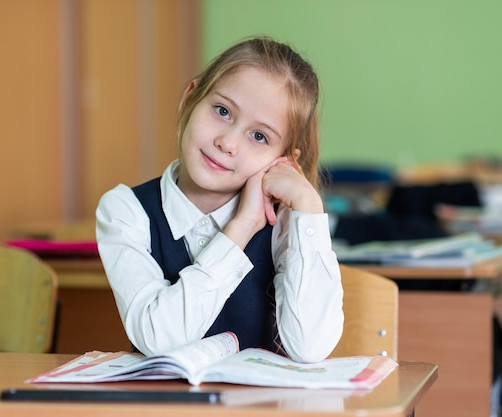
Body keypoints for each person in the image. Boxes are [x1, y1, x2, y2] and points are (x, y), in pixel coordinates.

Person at [96, 36, 343, 363]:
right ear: (190, 100)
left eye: (259, 136)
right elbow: (157, 337)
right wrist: (241, 228)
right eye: (223, 111)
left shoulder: (285, 222)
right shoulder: (125, 211)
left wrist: (309, 207)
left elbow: (309, 348)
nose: (228, 143)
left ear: (284, 161)